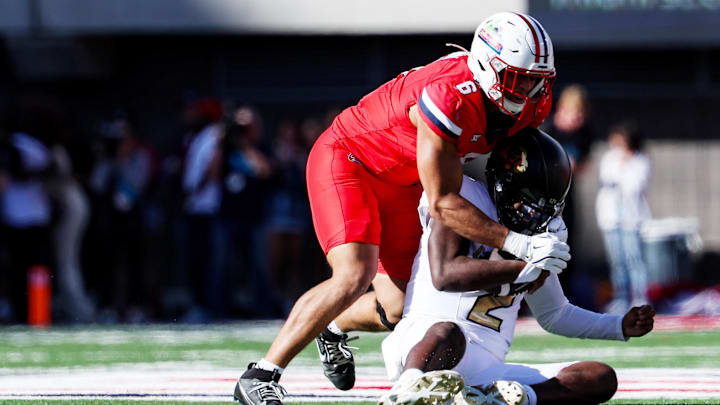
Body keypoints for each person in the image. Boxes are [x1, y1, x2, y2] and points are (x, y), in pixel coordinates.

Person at [235, 12, 570, 404]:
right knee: (353, 275)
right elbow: (444, 202)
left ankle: (335, 324)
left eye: (536, 80)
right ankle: (261, 374)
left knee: (395, 308)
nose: (529, 90)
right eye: (519, 78)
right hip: (351, 159)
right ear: (487, 65)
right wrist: (518, 243)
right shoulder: (451, 95)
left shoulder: (529, 103)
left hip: (404, 177)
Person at [378, 129, 655, 405]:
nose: (538, 211)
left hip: (487, 369)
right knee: (448, 331)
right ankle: (408, 389)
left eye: (549, 200)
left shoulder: (540, 232)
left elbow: (554, 314)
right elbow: (445, 275)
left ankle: (496, 400)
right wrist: (525, 265)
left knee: (599, 377)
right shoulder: (464, 199)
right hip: (425, 346)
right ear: (503, 182)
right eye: (532, 197)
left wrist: (617, 326)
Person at [595, 121, 651, 314]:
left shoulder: (640, 160)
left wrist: (626, 166)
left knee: (634, 259)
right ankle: (621, 298)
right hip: (611, 219)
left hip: (631, 219)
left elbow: (634, 186)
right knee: (617, 262)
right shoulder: (610, 158)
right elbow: (607, 179)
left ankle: (639, 297)